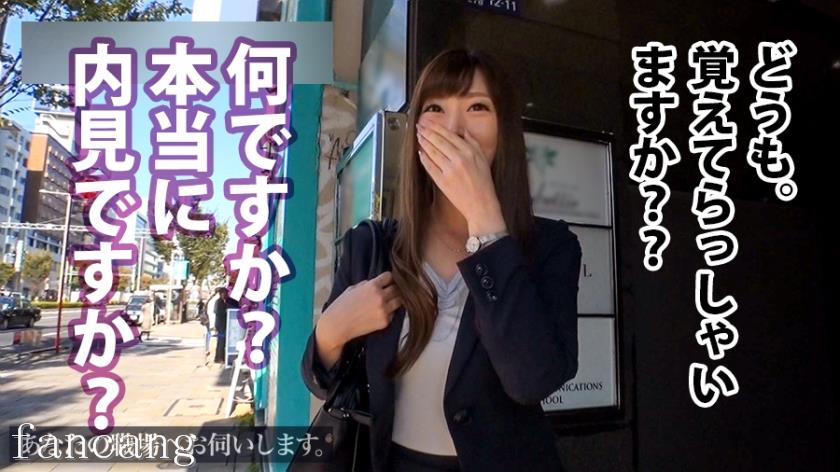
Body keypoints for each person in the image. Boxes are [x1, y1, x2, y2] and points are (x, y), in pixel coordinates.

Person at [301, 49, 583, 472]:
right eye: (435, 108)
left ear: (505, 129)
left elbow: (532, 381)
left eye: (477, 107)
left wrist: (486, 221)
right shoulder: (371, 246)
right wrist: (331, 330)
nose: (454, 129)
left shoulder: (550, 247)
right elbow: (320, 381)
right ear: (415, 129)